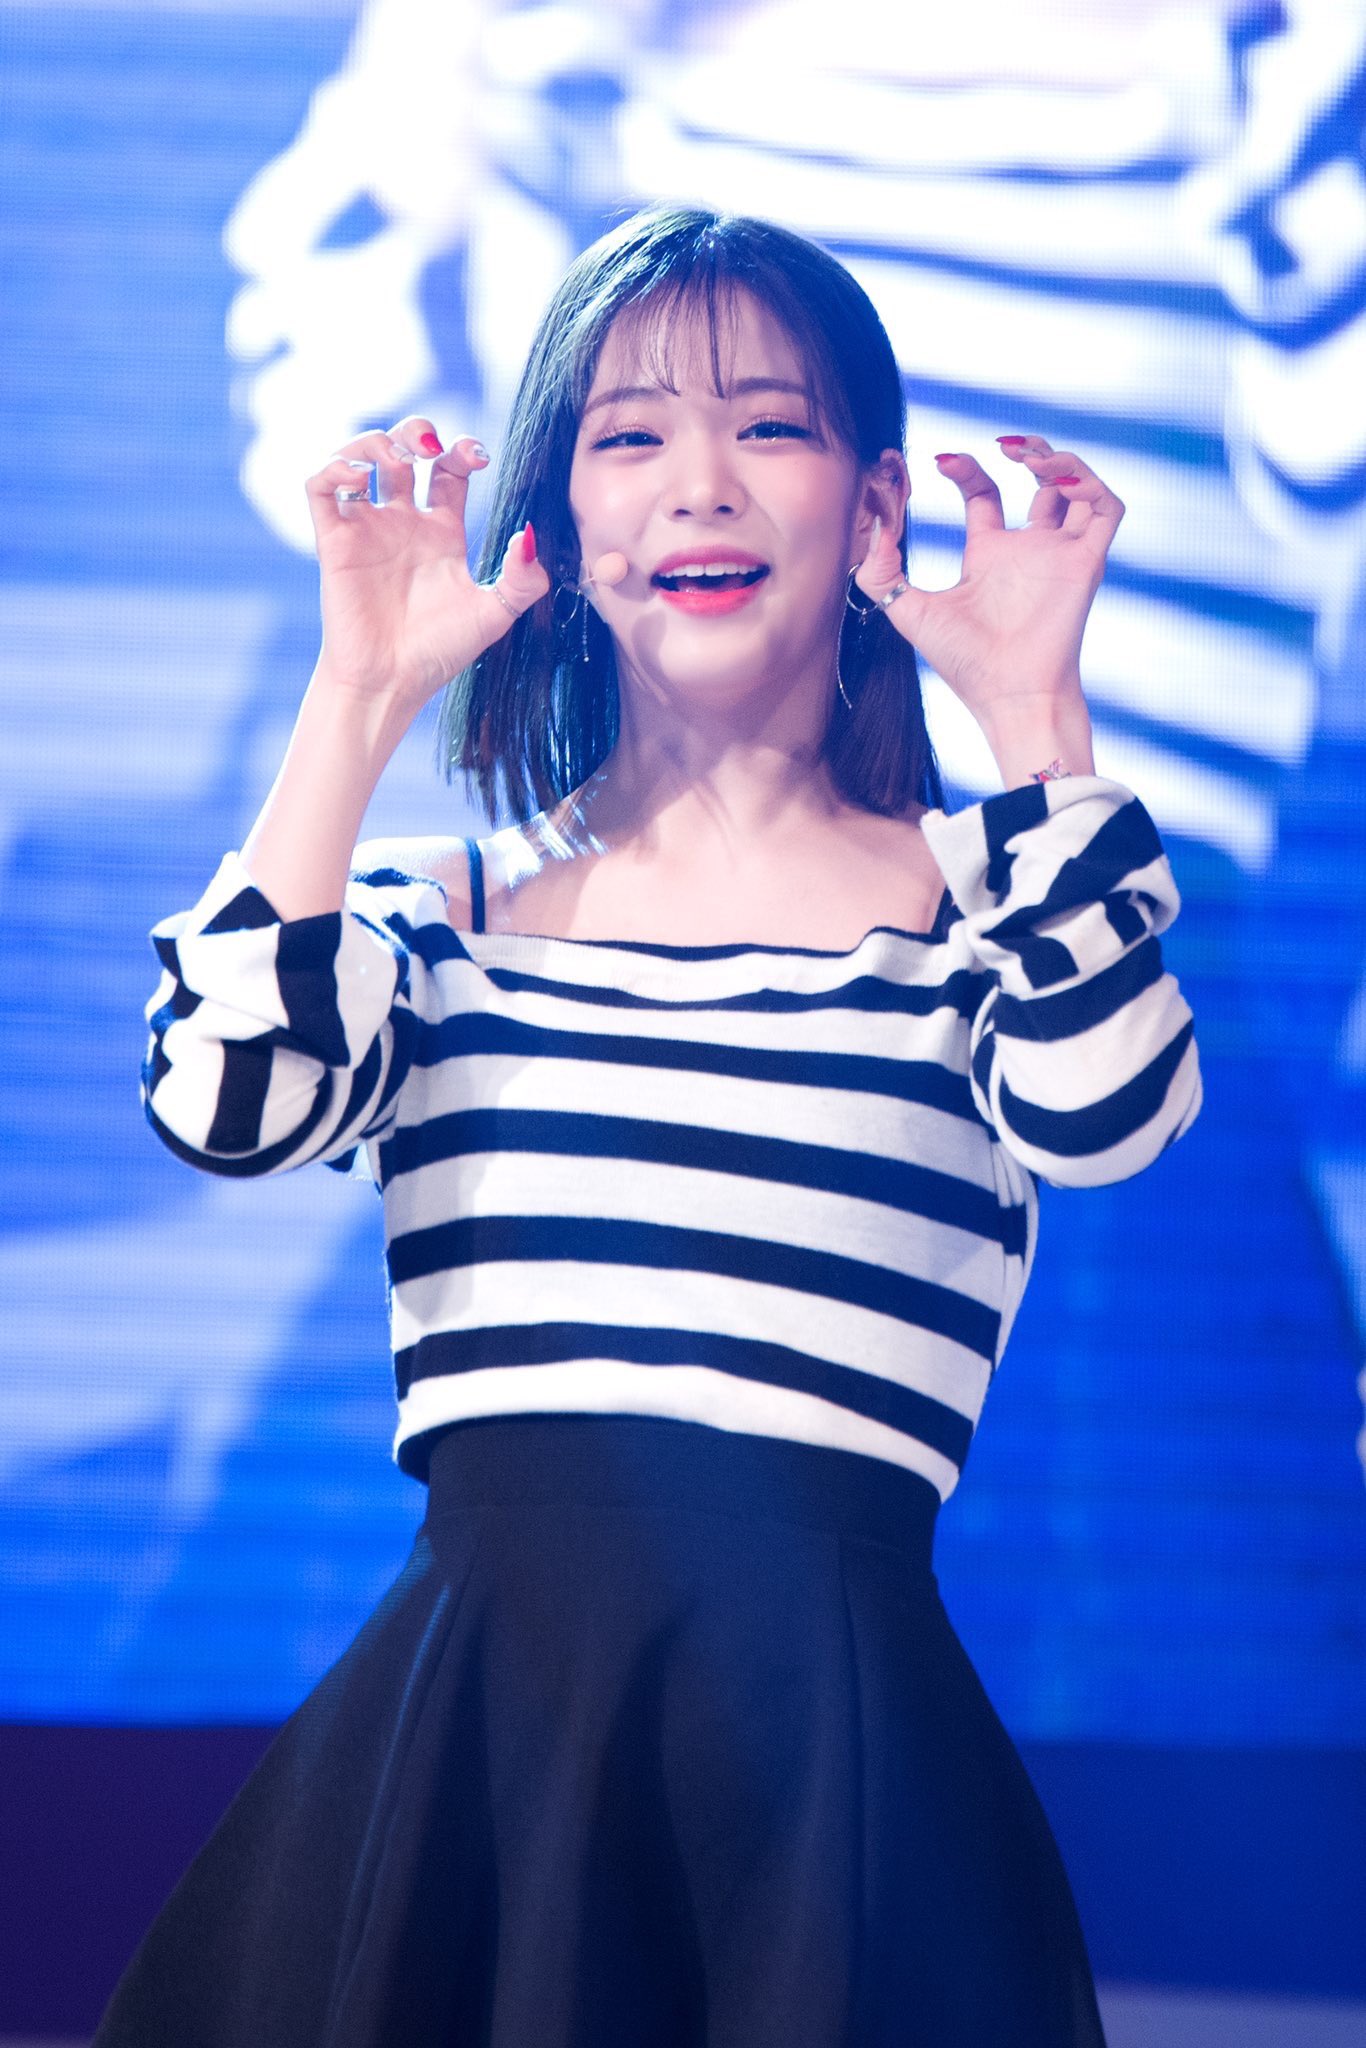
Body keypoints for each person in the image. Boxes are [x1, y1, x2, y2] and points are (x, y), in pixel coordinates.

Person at [98, 207, 1201, 2048]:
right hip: (475, 1760)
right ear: (554, 522)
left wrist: (1032, 714)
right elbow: (224, 1108)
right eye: (630, 435)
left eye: (768, 426)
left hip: (834, 1791)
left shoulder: (980, 920)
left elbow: (1106, 1122)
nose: (701, 483)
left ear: (872, 505)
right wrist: (357, 694)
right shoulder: (444, 919)